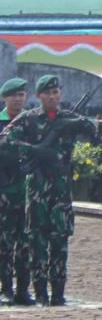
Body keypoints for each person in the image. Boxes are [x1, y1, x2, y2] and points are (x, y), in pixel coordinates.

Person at [0, 75, 96, 306]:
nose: (52, 97)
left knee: (60, 242)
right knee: (37, 243)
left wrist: (78, 123)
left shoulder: (69, 117)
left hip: (61, 191)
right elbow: (4, 140)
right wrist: (34, 150)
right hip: (36, 191)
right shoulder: (29, 119)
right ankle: (40, 292)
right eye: (47, 93)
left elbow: (95, 131)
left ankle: (59, 293)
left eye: (56, 93)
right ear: (39, 96)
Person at [0, 78, 31, 305]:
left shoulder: (32, 121)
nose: (18, 99)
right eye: (14, 95)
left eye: (21, 95)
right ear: (5, 98)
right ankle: (5, 288)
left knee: (26, 243)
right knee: (4, 243)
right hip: (4, 190)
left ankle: (23, 289)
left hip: (28, 191)